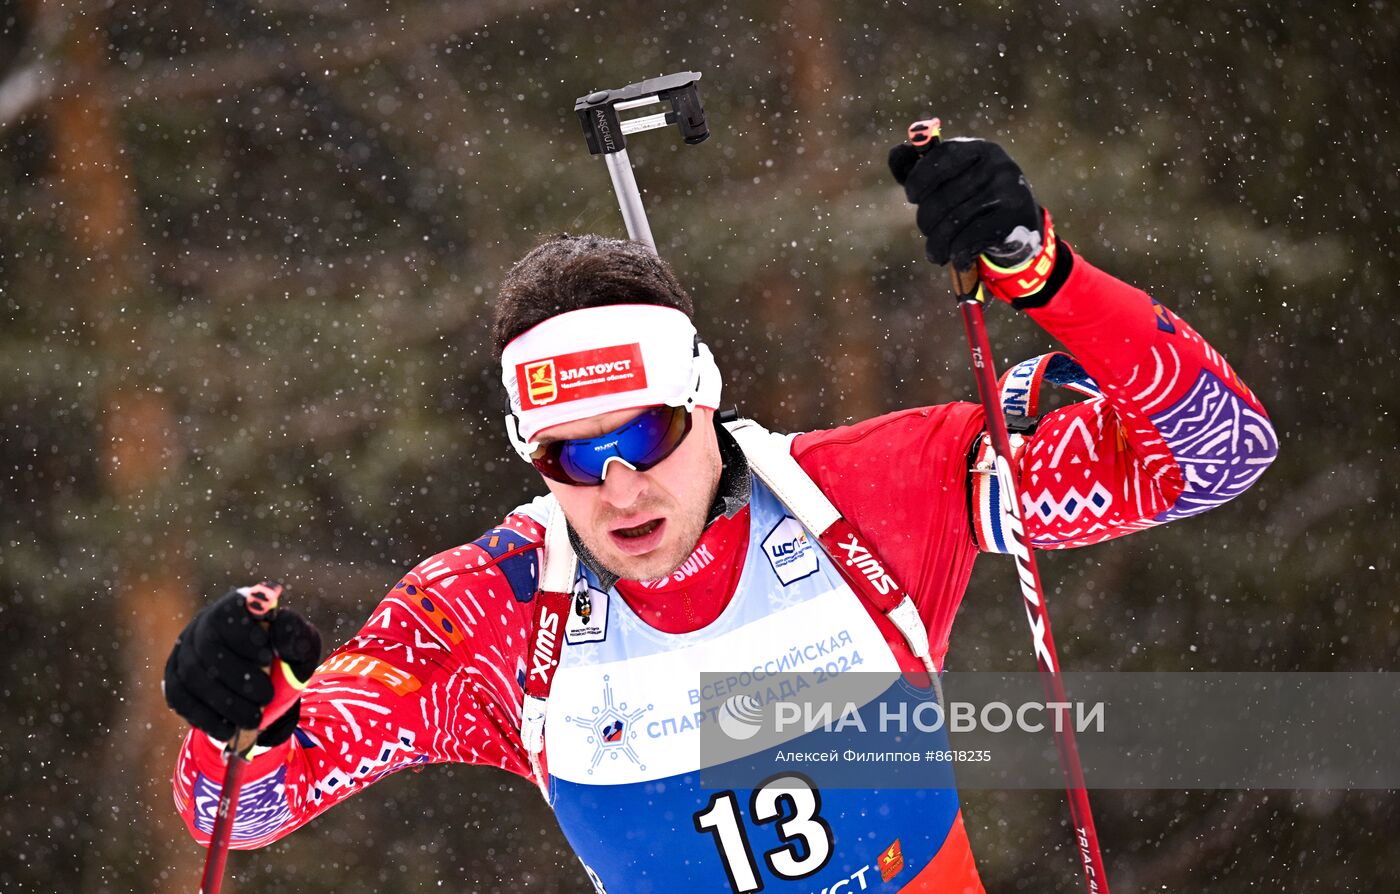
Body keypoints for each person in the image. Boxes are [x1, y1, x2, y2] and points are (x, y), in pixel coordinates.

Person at [163, 135, 1278, 892]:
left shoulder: (870, 497)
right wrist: (227, 711)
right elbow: (251, 805)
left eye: (642, 436)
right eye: (569, 456)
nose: (618, 488)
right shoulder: (492, 616)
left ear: (701, 400)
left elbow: (1216, 453)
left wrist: (1038, 272)